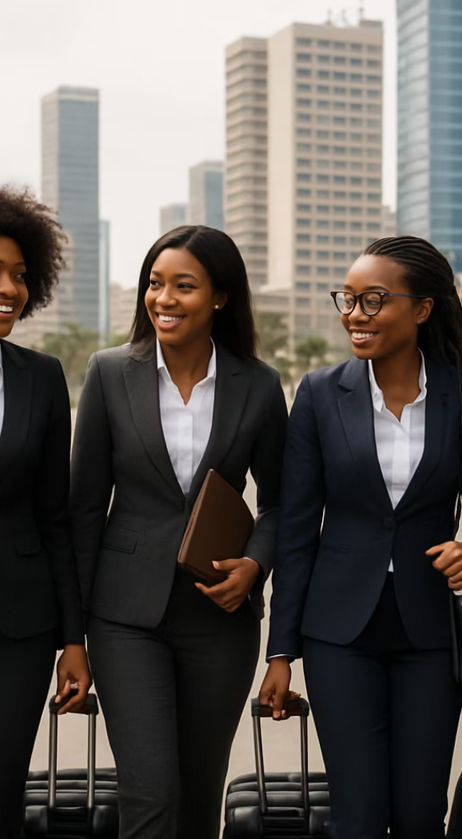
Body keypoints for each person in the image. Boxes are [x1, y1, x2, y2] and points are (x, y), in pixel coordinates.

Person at [260, 236, 462, 839]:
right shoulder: (320, 394)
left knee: (421, 813)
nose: (354, 314)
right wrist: (280, 651)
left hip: (432, 630)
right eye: (347, 300)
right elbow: (296, 529)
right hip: (337, 632)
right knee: (358, 815)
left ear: (421, 310)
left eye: (373, 301)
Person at [70, 225, 287, 839]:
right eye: (154, 284)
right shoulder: (110, 373)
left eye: (183, 286)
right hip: (123, 618)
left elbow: (279, 506)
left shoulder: (261, 384)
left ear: (220, 297)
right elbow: (83, 510)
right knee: (150, 796)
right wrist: (73, 637)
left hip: (220, 618)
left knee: (196, 802)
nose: (163, 298)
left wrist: (255, 567)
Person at [0, 178, 91, 839]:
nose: (8, 289)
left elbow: (56, 519)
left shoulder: (40, 377)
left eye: (19, 275)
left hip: (12, 626)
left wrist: (73, 641)